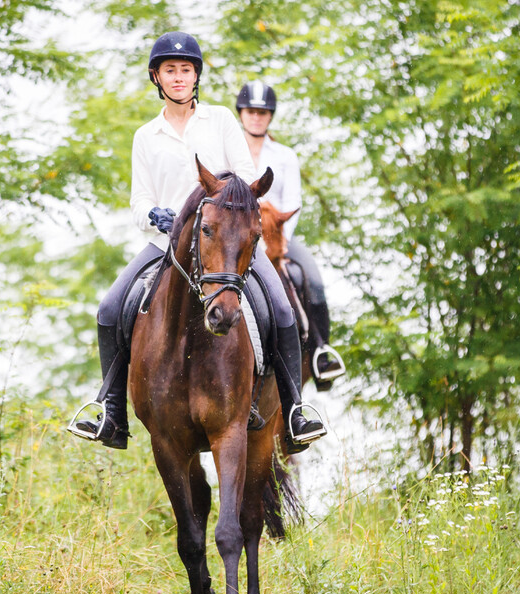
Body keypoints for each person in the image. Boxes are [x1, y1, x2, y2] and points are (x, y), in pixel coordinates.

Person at [67, 32, 326, 453]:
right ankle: (111, 412)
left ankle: (296, 410)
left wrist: (222, 207)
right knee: (110, 308)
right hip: (165, 245)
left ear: (196, 76)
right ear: (157, 77)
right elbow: (139, 200)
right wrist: (153, 215)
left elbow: (245, 177)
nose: (178, 77)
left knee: (281, 308)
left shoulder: (221, 120)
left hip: (224, 243)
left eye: (185, 70)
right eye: (170, 70)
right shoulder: (145, 136)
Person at [235, 81, 345, 388]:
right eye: (251, 111)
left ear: (270, 116)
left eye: (262, 112)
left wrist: (278, 241)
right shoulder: (230, 151)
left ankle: (321, 352)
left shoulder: (285, 155)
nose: (256, 117)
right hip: (239, 236)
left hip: (277, 236)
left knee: (313, 278)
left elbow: (293, 202)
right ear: (241, 113)